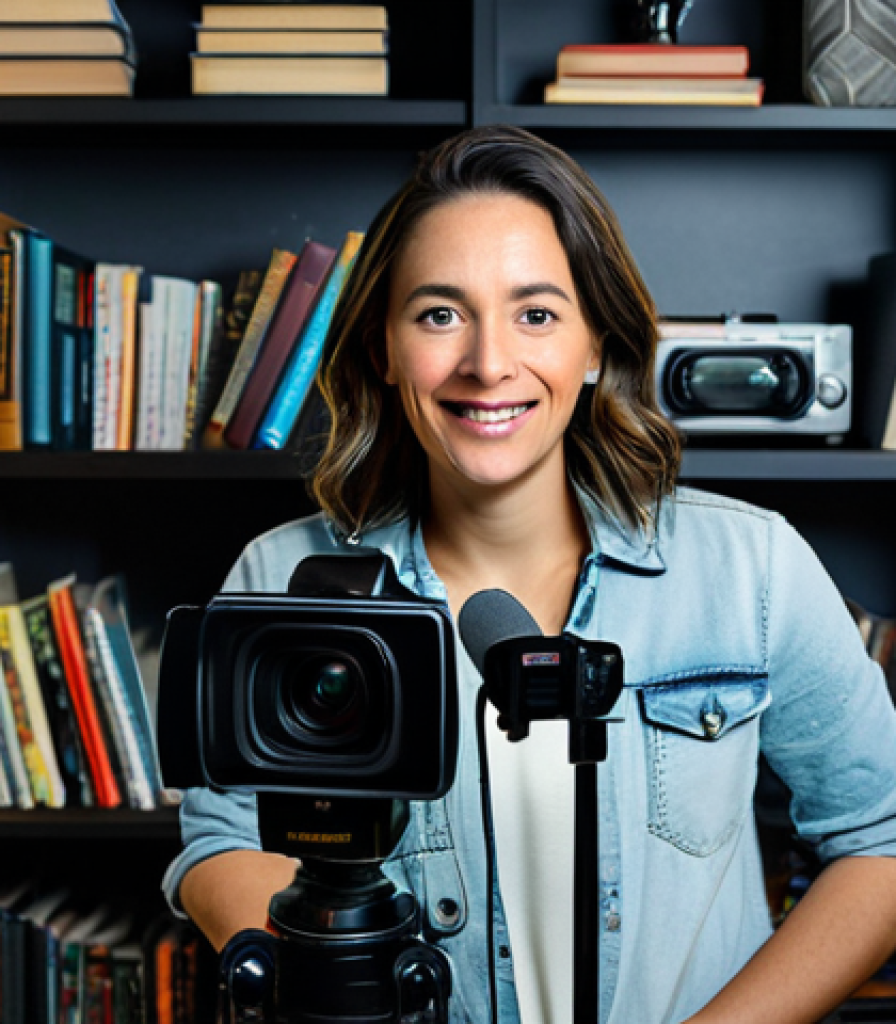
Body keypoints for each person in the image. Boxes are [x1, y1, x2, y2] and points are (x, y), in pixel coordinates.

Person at [162, 125, 896, 1024]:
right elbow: (224, 838)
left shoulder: (753, 568)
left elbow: (884, 841)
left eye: (536, 315)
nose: (488, 364)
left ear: (595, 348)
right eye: (439, 315)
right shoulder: (284, 577)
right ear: (383, 349)